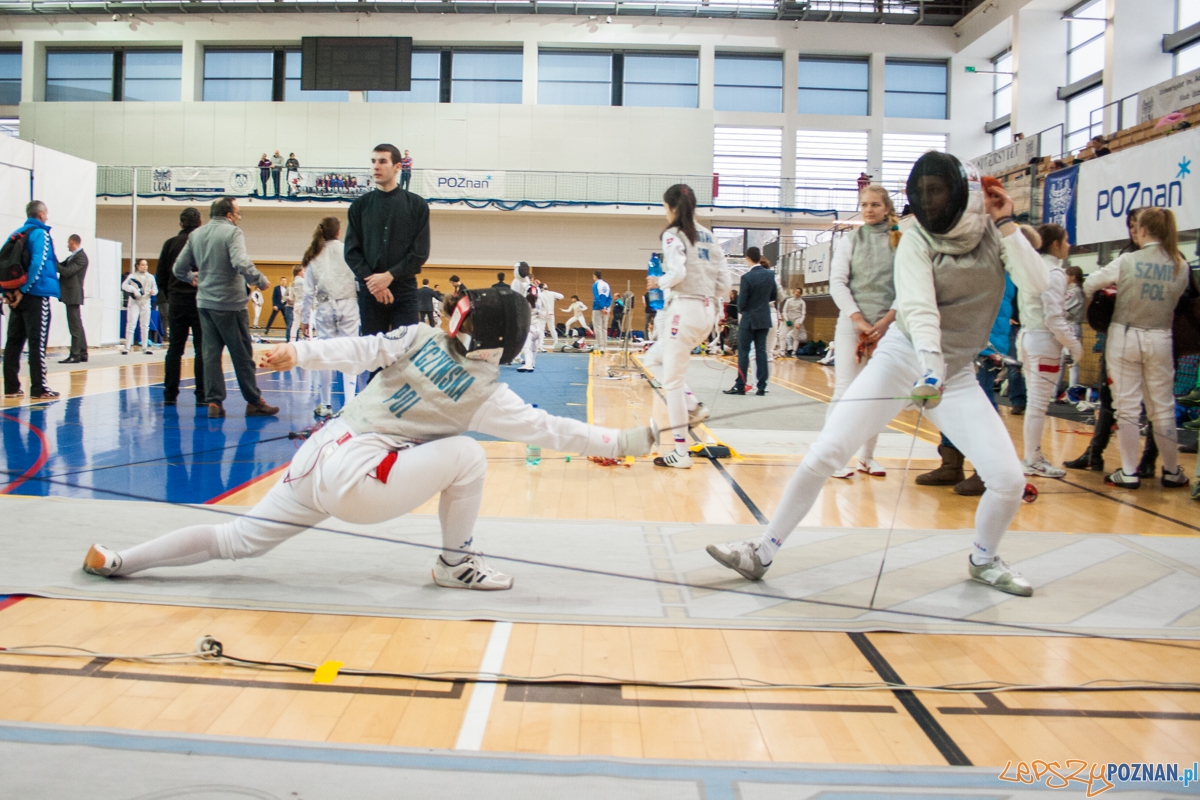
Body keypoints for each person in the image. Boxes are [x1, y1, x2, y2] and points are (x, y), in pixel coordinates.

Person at [82, 288, 657, 590]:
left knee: (237, 539)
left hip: (319, 456)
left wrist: (297, 352)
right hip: (358, 481)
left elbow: (360, 347)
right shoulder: (488, 395)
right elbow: (558, 431)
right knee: (468, 455)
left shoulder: (417, 336)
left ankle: (122, 560)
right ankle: (455, 564)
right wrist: (632, 441)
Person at [707, 152, 1049, 597]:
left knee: (1008, 480)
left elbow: (1038, 287)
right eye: (923, 192)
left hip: (956, 373)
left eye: (938, 191)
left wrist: (1006, 222)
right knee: (828, 450)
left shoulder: (993, 233)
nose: (930, 201)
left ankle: (984, 559)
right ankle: (762, 550)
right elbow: (920, 309)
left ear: (962, 193)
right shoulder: (915, 239)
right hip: (903, 357)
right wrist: (928, 369)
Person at [1082, 207, 1191, 490]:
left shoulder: (1128, 260)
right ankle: (1171, 471)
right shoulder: (1182, 264)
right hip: (1160, 337)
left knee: (1126, 408)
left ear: (1142, 230)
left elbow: (1091, 283)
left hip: (1124, 336)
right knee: (1162, 407)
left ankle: (1128, 472)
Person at [641, 184, 732, 469]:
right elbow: (725, 283)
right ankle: (692, 406)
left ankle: (680, 452)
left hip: (685, 310)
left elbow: (678, 271)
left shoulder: (673, 234)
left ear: (671, 207)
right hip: (706, 312)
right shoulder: (709, 235)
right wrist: (712, 305)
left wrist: (660, 281)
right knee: (654, 358)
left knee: (673, 382)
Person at [1065, 208, 1159, 475]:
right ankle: (1095, 453)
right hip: (1121, 335)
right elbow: (1094, 285)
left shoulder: (1165, 258)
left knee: (1154, 402)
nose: (1134, 231)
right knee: (1108, 396)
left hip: (1153, 336)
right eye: (1130, 225)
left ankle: (1149, 460)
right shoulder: (1127, 255)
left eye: (1137, 225)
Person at [173, 197, 278, 419]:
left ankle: (214, 402)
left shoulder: (196, 235)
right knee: (242, 355)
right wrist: (259, 279)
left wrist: (192, 277)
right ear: (229, 215)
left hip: (205, 304)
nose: (239, 217)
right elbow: (240, 261)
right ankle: (253, 401)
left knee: (211, 354)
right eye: (238, 213)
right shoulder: (233, 233)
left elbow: (178, 269)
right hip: (230, 304)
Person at [825, 185, 902, 478]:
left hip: (888, 326)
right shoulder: (850, 239)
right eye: (864, 204)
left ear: (886, 208)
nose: (869, 209)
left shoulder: (901, 241)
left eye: (875, 205)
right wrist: (859, 320)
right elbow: (837, 283)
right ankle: (832, 457)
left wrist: (885, 322)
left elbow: (908, 285)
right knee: (844, 391)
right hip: (851, 325)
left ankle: (867, 458)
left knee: (877, 395)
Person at [1013, 224, 1083, 478]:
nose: (1068, 245)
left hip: (1029, 338)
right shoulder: (1054, 273)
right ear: (1055, 243)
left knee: (1035, 404)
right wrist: (1074, 346)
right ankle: (1032, 459)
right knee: (1038, 405)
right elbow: (1054, 318)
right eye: (1066, 240)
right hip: (1043, 341)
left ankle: (1032, 457)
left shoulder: (1032, 267)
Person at [345, 144, 430, 339]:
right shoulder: (359, 207)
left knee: (405, 356)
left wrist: (389, 276)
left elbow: (420, 252)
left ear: (398, 167)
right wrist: (375, 283)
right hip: (370, 291)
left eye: (383, 161)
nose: (376, 166)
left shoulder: (417, 205)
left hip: (405, 291)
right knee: (374, 356)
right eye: (373, 161)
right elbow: (351, 252)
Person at [300, 216, 362, 418]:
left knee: (325, 355)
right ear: (338, 231)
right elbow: (359, 280)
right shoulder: (349, 251)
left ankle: (325, 404)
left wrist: (304, 319)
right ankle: (350, 405)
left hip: (325, 307)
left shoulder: (313, 254)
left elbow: (308, 292)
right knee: (349, 353)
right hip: (348, 305)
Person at [3, 200, 60, 400]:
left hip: (15, 297)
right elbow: (39, 262)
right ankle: (39, 388)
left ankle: (11, 388)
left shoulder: (16, 233)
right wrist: (25, 289)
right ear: (42, 214)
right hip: (36, 294)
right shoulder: (41, 233)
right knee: (38, 342)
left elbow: (5, 264)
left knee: (14, 342)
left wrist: (8, 293)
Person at [159, 208, 206, 407]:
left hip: (177, 302)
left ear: (180, 223)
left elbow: (160, 275)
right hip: (199, 302)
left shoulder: (170, 244)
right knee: (201, 350)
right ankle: (202, 394)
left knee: (174, 350)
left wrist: (170, 296)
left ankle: (170, 393)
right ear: (200, 223)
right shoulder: (203, 243)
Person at [726, 248, 777, 396]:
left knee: (744, 352)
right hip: (763, 318)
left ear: (748, 258)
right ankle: (761, 386)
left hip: (748, 319)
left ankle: (740, 385)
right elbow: (773, 295)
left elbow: (741, 302)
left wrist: (746, 310)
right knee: (761, 352)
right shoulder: (770, 274)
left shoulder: (747, 277)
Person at [57, 234, 89, 364]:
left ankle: (75, 354)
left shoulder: (81, 257)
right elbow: (60, 266)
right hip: (71, 294)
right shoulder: (73, 257)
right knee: (77, 324)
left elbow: (67, 271)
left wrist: (52, 261)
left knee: (74, 325)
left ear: (73, 242)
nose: (67, 245)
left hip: (73, 294)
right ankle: (82, 352)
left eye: (68, 242)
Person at [121, 259, 157, 355]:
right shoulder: (132, 276)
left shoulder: (151, 277)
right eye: (142, 265)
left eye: (146, 265)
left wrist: (153, 292)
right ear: (138, 266)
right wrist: (133, 289)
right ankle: (127, 347)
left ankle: (145, 347)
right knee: (131, 324)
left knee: (145, 325)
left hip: (146, 302)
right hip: (134, 302)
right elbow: (124, 285)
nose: (145, 266)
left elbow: (155, 288)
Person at [1063, 264, 1086, 389]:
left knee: (1071, 362)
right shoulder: (1070, 290)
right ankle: (1054, 392)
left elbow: (1063, 307)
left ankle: (1072, 391)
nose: (1064, 278)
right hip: (1066, 327)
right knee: (1062, 361)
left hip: (1071, 327)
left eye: (1066, 275)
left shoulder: (1075, 291)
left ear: (1073, 277)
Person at [780, 288, 807, 356]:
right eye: (796, 292)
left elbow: (803, 314)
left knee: (795, 336)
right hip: (789, 319)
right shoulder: (789, 300)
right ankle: (782, 351)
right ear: (794, 292)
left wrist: (799, 323)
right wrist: (787, 320)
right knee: (782, 335)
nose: (797, 293)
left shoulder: (802, 302)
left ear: (800, 294)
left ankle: (794, 352)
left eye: (798, 292)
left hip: (797, 319)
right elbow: (784, 311)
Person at [537, 281, 563, 349]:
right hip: (551, 313)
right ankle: (556, 342)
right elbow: (561, 296)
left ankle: (540, 344)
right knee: (552, 328)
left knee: (541, 329)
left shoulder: (540, 295)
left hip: (543, 313)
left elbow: (539, 305)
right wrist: (554, 298)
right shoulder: (552, 293)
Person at [591, 270, 612, 351]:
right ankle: (604, 344)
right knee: (604, 328)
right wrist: (606, 307)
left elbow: (596, 298)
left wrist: (601, 307)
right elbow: (610, 298)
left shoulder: (595, 285)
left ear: (595, 276)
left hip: (597, 308)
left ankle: (599, 345)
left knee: (598, 327)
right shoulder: (607, 285)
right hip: (606, 309)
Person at [289, 265, 306, 343]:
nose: (304, 272)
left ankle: (292, 341)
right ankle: (310, 339)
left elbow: (291, 298)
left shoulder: (292, 283)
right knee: (309, 322)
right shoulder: (304, 281)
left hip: (296, 304)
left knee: (295, 324)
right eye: (303, 271)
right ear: (299, 272)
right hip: (304, 304)